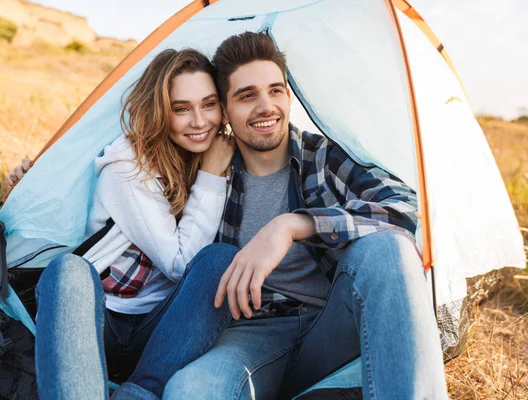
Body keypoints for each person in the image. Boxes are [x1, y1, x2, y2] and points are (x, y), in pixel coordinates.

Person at [114, 32, 448, 400]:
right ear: (223, 110)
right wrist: (37, 169)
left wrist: (294, 224)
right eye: (247, 96)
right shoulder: (209, 174)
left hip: (333, 324)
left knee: (388, 248)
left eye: (275, 90)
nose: (266, 106)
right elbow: (140, 175)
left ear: (288, 97)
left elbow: (404, 208)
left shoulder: (320, 157)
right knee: (188, 390)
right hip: (252, 332)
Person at [8, 48, 237, 399]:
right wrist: (210, 176)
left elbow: (199, 270)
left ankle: (140, 393)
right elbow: (180, 263)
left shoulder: (222, 156)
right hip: (99, 323)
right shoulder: (128, 165)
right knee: (67, 270)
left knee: (221, 260)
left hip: (161, 330)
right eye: (181, 108)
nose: (199, 121)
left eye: (208, 104)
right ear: (160, 111)